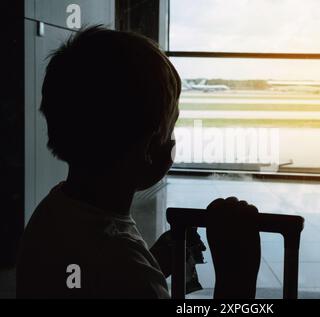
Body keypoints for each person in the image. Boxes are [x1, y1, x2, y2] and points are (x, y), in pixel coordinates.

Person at [16, 26, 261, 299]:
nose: (173, 141)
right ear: (148, 149)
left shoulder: (51, 215)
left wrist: (150, 263)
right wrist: (236, 277)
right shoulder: (130, 274)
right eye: (170, 130)